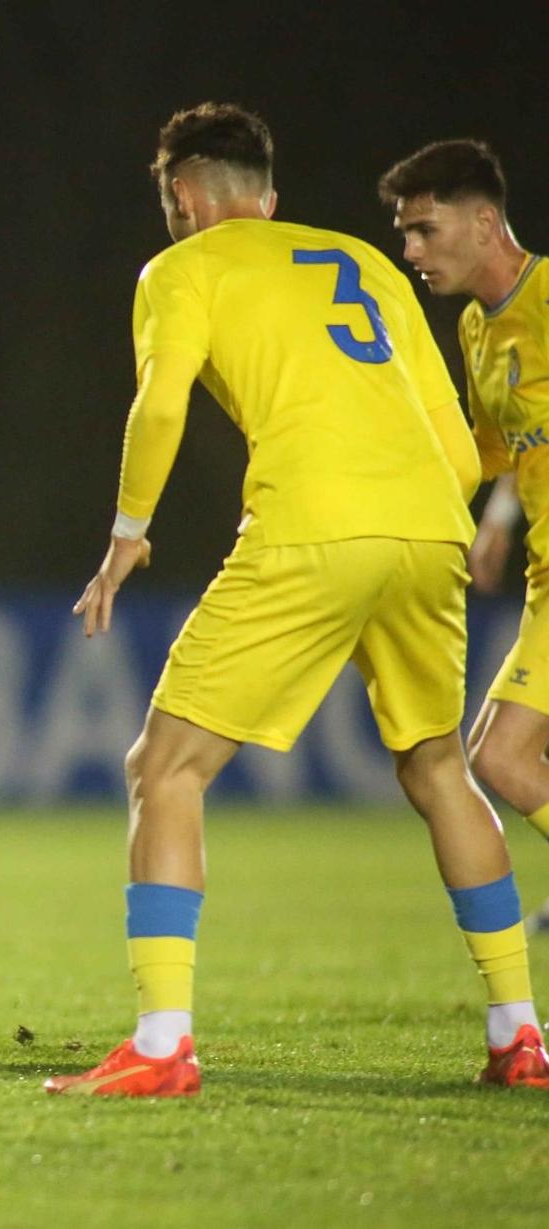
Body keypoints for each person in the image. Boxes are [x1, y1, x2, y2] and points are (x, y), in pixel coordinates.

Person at [51, 104, 548, 1096]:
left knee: (165, 765)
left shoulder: (180, 270)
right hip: (427, 528)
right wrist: (427, 526)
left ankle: (159, 1041)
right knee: (440, 764)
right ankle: (518, 1033)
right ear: (268, 202)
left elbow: (159, 400)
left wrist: (124, 536)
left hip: (312, 525)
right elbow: (455, 440)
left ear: (184, 202)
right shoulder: (362, 262)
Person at [379, 139, 549, 936]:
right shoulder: (479, 329)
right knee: (494, 755)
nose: (410, 250)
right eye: (405, 234)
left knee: (501, 759)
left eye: (424, 229)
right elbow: (496, 451)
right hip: (541, 573)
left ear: (485, 222)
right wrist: (491, 523)